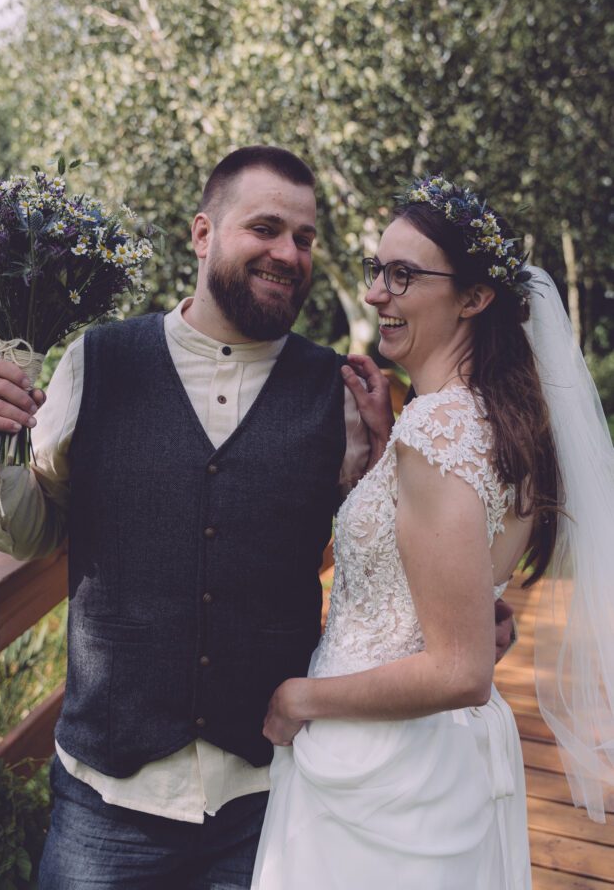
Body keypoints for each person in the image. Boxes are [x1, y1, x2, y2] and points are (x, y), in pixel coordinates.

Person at [0, 151, 514, 890]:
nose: (288, 253)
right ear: (202, 234)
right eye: (265, 228)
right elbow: (31, 533)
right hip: (106, 799)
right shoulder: (96, 362)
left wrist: (471, 602)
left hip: (271, 797)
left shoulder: (343, 390)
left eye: (305, 238)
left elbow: (384, 547)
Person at [251, 175, 614, 890]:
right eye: (376, 270)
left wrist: (299, 699)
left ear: (474, 298)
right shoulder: (493, 421)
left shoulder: (437, 433)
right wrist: (387, 452)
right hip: (436, 764)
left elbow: (459, 671)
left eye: (403, 275)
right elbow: (450, 567)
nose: (376, 293)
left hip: (382, 773)